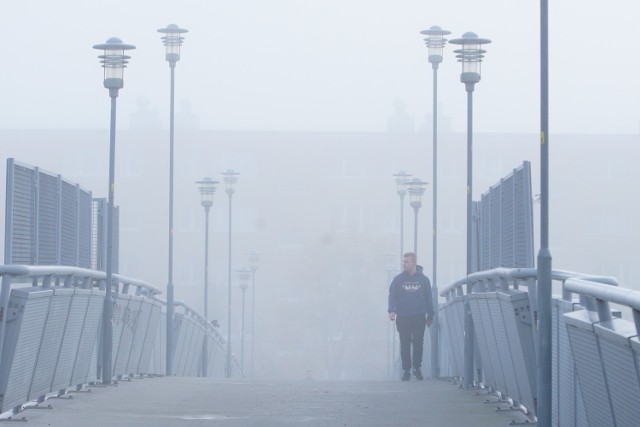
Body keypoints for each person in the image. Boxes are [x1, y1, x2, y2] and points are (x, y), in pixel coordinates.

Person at [388, 252, 434, 381]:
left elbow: (428, 298)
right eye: (403, 261)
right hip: (403, 316)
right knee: (405, 343)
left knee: (418, 342)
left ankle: (417, 369)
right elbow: (392, 295)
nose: (404, 264)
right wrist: (391, 310)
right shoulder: (398, 280)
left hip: (419, 315)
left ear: (413, 263)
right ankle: (406, 370)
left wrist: (430, 315)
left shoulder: (424, 280)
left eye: (407, 262)